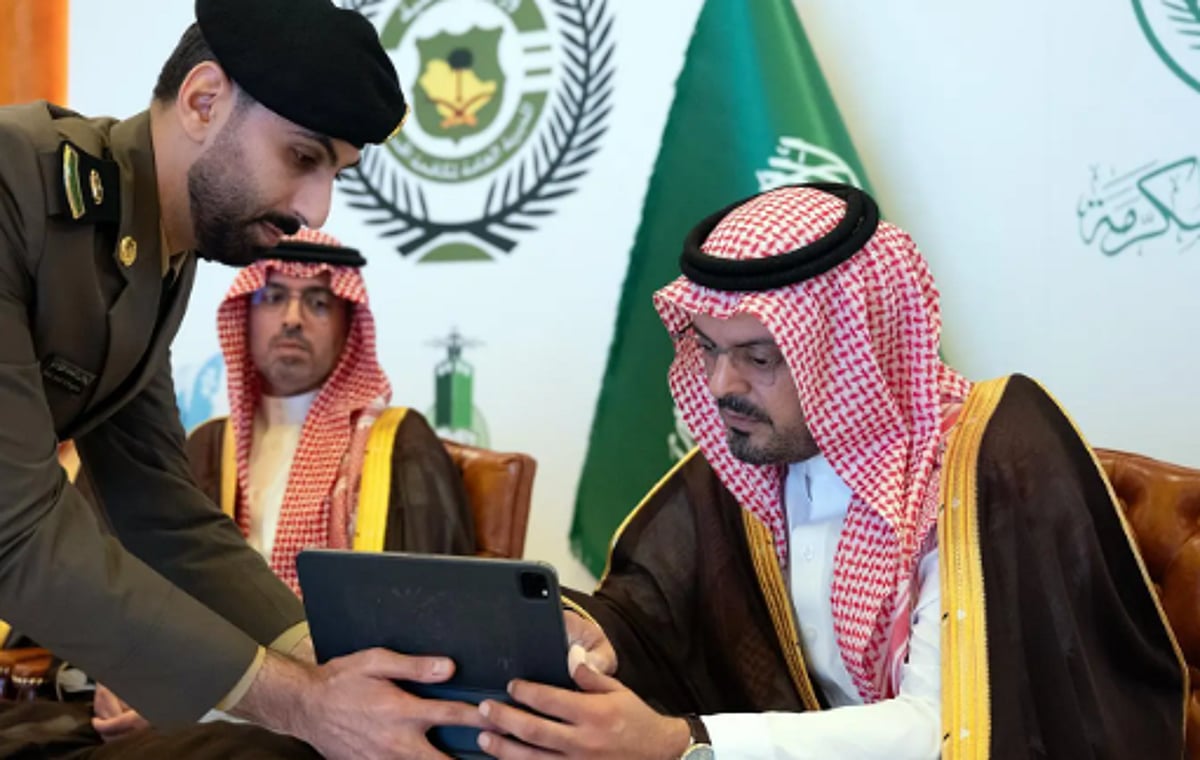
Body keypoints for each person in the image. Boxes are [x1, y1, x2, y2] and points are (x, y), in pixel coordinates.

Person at [475, 183, 1187, 759]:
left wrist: (685, 744)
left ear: (852, 349)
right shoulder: (748, 457)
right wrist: (595, 636)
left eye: (758, 357)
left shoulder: (986, 464)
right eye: (709, 349)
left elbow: (948, 731)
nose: (720, 385)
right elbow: (654, 621)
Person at [0, 0, 489, 756]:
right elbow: (19, 530)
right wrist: (299, 701)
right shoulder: (16, 184)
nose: (316, 209)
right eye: (302, 157)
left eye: (336, 173)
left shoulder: (155, 244)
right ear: (204, 101)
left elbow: (161, 511)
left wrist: (327, 662)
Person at [185, 227, 476, 594]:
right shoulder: (208, 447)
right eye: (273, 297)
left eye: (318, 302)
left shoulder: (401, 444)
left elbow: (437, 596)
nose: (292, 319)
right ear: (245, 315)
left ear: (348, 326)